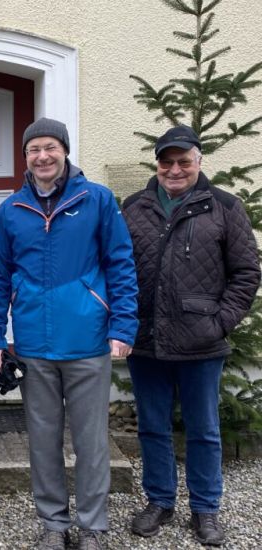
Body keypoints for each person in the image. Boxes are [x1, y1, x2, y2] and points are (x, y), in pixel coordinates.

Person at [0, 118, 138, 550]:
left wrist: (123, 324)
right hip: (34, 344)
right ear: (25, 157)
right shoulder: (11, 210)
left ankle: (92, 526)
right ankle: (54, 524)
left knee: (92, 442)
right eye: (34, 149)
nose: (42, 156)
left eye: (50, 147)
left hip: (87, 339)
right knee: (42, 441)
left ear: (65, 151)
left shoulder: (97, 200)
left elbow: (121, 264)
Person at [122, 126, 261, 547]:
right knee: (152, 428)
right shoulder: (134, 207)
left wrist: (219, 323)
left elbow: (246, 273)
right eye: (167, 162)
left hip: (201, 342)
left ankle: (205, 508)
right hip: (146, 340)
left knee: (203, 430)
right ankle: (160, 501)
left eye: (184, 161)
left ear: (199, 161)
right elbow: (118, 269)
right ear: (157, 165)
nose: (175, 169)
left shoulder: (224, 207)